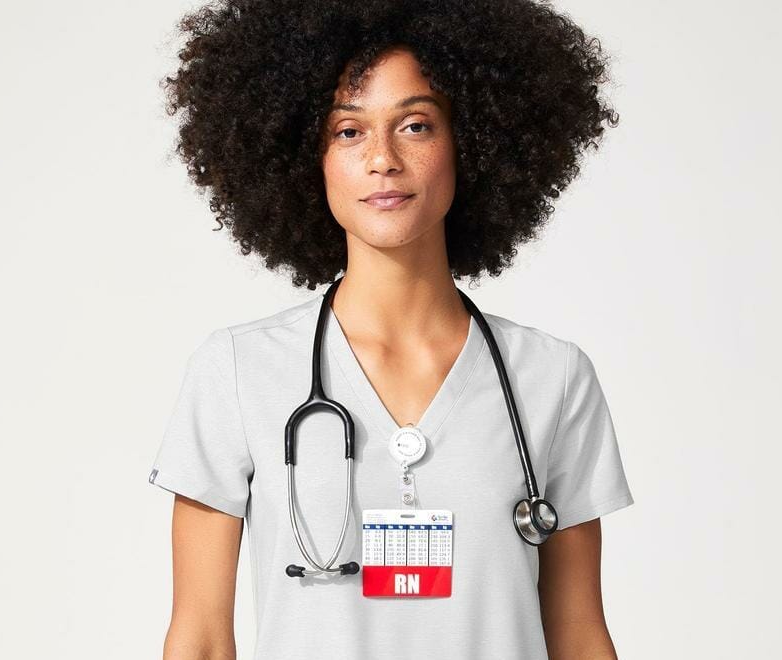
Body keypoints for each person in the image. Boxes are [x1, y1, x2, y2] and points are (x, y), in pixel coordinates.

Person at [148, 0, 635, 658]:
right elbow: (200, 640)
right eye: (349, 131)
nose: (382, 158)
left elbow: (580, 637)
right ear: (305, 157)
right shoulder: (237, 371)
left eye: (414, 125)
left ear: (471, 143)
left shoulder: (553, 378)